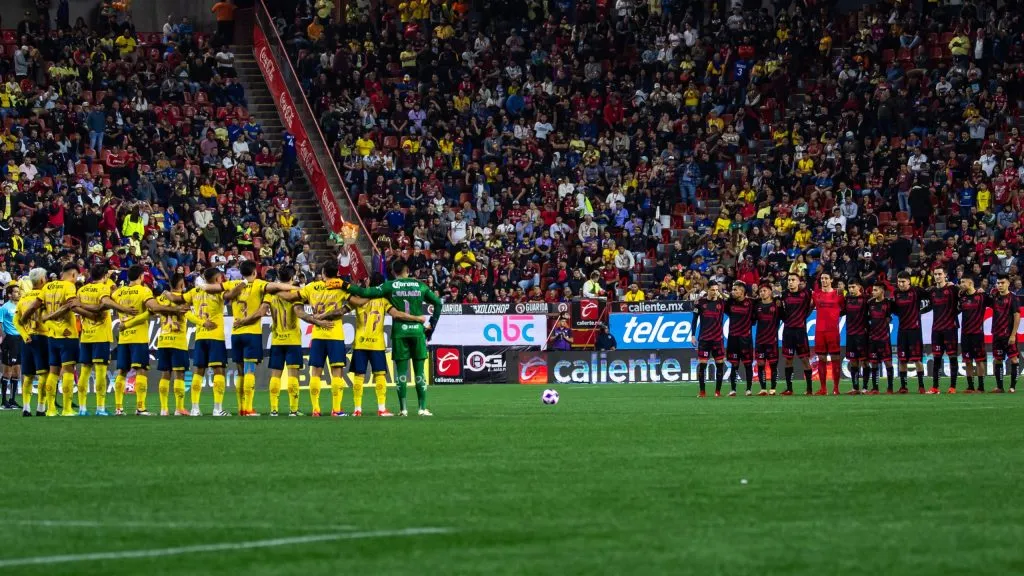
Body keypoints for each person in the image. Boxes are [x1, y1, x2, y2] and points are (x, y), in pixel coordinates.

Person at [343, 261, 443, 416]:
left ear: (393, 272)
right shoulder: (419, 285)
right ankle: (422, 408)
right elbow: (437, 302)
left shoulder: (390, 286)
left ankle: (403, 409)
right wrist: (432, 325)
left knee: (401, 372)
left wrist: (344, 285)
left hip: (399, 333)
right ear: (408, 270)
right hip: (417, 332)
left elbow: (364, 294)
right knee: (419, 373)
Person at [202, 260, 296, 416]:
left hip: (236, 333)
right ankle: (248, 408)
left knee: (240, 373)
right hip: (251, 333)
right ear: (254, 272)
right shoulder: (259, 284)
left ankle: (241, 408)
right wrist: (296, 287)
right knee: (250, 372)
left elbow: (209, 288)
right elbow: (279, 286)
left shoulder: (234, 284)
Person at [278, 262, 352, 417]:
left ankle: (316, 409)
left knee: (316, 373)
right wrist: (346, 309)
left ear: (323, 273)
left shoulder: (312, 287)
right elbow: (357, 299)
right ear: (337, 273)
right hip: (335, 333)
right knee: (337, 373)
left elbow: (292, 296)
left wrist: (276, 290)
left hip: (318, 335)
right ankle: (336, 410)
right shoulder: (341, 287)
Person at [111, 265, 187, 416]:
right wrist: (175, 310)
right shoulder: (144, 291)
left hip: (124, 337)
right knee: (142, 370)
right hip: (138, 337)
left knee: (122, 371)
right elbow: (154, 308)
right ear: (141, 276)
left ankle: (118, 408)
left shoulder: (118, 293)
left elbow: (108, 299)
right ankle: (140, 408)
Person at [257, 266, 323, 416]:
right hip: (292, 339)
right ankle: (293, 410)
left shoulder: (270, 294)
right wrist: (315, 320)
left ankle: (274, 409)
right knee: (293, 374)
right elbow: (299, 312)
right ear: (292, 278)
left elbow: (262, 311)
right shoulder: (295, 294)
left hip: (277, 339)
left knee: (275, 375)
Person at [177, 267, 244, 416]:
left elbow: (184, 310)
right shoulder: (218, 292)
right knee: (219, 370)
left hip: (201, 336)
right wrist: (243, 283)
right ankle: (217, 409)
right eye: (220, 277)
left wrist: (200, 322)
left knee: (199, 371)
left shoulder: (195, 292)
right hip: (216, 336)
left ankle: (195, 408)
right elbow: (232, 293)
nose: (222, 280)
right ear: (216, 279)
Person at [76, 266, 136, 416]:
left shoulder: (82, 289)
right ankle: (100, 408)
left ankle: (82, 408)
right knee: (101, 372)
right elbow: (106, 301)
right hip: (100, 336)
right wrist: (124, 309)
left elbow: (76, 306)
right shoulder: (103, 288)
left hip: (86, 335)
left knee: (84, 371)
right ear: (104, 276)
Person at [35, 263, 84, 417]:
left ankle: (50, 409)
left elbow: (37, 307)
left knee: (53, 371)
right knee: (69, 370)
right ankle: (67, 408)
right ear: (74, 275)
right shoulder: (69, 286)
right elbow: (71, 306)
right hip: (67, 334)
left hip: (51, 335)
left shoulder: (47, 287)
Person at [150, 273, 191, 416]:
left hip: (163, 340)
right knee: (179, 374)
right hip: (178, 341)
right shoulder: (183, 300)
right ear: (181, 285)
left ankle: (164, 409)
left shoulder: (161, 299)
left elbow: (151, 310)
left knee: (165, 374)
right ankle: (179, 408)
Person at [14, 269, 49, 416]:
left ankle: (26, 408)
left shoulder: (23, 298)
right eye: (45, 277)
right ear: (42, 280)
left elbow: (16, 321)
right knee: (43, 374)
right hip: (42, 337)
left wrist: (24, 335)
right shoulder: (45, 297)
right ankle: (41, 407)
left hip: (26, 339)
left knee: (27, 375)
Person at [892, 271, 927, 393]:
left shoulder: (917, 291)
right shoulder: (896, 293)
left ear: (909, 281)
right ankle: (903, 387)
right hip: (902, 330)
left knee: (917, 359)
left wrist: (922, 310)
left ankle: (921, 386)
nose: (901, 284)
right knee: (902, 359)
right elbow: (895, 309)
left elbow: (931, 296)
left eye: (903, 281)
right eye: (899, 281)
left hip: (915, 330)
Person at [689, 282, 726, 398]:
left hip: (718, 339)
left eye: (716, 289)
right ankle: (702, 392)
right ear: (707, 290)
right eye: (712, 290)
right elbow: (694, 319)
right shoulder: (700, 303)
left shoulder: (722, 303)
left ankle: (718, 392)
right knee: (703, 366)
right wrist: (693, 335)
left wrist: (723, 294)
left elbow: (732, 300)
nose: (715, 292)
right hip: (704, 339)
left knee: (720, 365)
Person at [780, 273, 815, 395]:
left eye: (793, 280)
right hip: (788, 331)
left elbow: (812, 304)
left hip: (800, 331)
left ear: (798, 282)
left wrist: (804, 316)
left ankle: (809, 389)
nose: (790, 282)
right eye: (789, 280)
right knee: (788, 360)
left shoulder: (805, 294)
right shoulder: (784, 295)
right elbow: (781, 312)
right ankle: (789, 389)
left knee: (805, 359)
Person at [812, 271, 844, 395]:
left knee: (835, 358)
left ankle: (836, 388)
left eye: (826, 278)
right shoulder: (816, 294)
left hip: (833, 331)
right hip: (819, 331)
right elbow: (809, 307)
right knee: (821, 358)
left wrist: (835, 317)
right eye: (822, 278)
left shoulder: (838, 294)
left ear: (831, 280)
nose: (823, 280)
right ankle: (823, 388)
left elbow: (845, 308)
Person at [928, 269, 959, 394]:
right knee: (937, 358)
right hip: (936, 329)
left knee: (952, 357)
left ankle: (952, 387)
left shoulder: (953, 289)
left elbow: (967, 292)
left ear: (945, 275)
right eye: (935, 274)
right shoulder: (932, 291)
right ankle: (935, 387)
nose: (937, 276)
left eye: (940, 274)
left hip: (950, 329)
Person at [958, 277, 989, 394]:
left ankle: (981, 387)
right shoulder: (962, 296)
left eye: (963, 282)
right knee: (967, 361)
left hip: (977, 334)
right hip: (965, 334)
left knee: (979, 361)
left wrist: (984, 291)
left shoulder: (982, 296)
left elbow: (996, 301)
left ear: (970, 282)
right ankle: (970, 387)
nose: (960, 284)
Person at [989, 274, 1020, 393]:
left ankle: (1012, 387)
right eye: (998, 283)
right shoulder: (994, 296)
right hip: (997, 335)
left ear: (1008, 283)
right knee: (997, 359)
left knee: (1014, 360)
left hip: (1008, 335)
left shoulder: (1013, 298)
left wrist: (1013, 335)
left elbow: (1017, 316)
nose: (1000, 285)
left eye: (1002, 283)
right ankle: (1000, 387)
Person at [725, 281, 755, 396]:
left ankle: (748, 389)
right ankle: (733, 390)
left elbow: (754, 318)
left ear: (742, 292)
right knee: (734, 364)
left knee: (747, 364)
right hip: (733, 338)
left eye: (735, 289)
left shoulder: (751, 303)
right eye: (733, 289)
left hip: (745, 339)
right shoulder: (730, 303)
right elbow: (726, 311)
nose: (733, 292)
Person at [843, 280, 870, 394]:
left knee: (864, 362)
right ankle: (855, 388)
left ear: (859, 287)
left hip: (862, 335)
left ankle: (865, 387)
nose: (851, 289)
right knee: (853, 361)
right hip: (850, 335)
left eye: (853, 287)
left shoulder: (866, 300)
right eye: (849, 287)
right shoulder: (847, 299)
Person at [866, 284, 895, 394]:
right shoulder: (870, 303)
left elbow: (892, 315)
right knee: (874, 363)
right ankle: (875, 388)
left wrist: (888, 319)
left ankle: (890, 387)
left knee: (888, 363)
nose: (873, 292)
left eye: (875, 290)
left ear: (882, 291)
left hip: (884, 338)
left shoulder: (889, 303)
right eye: (872, 290)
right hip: (873, 338)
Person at [754, 284, 781, 395]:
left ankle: (773, 388)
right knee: (760, 364)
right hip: (760, 340)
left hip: (772, 340)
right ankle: (763, 388)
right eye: (761, 291)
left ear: (770, 292)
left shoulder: (777, 305)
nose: (762, 293)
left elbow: (784, 317)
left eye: (764, 290)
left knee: (773, 365)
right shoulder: (757, 305)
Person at [0, 285, 21, 410]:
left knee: (17, 371)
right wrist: (4, 338)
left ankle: (12, 400)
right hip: (10, 340)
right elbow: (0, 324)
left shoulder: (20, 306)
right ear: (9, 294)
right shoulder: (4, 307)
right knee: (7, 370)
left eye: (18, 292)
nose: (18, 294)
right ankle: (3, 401)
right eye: (15, 292)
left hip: (19, 339)